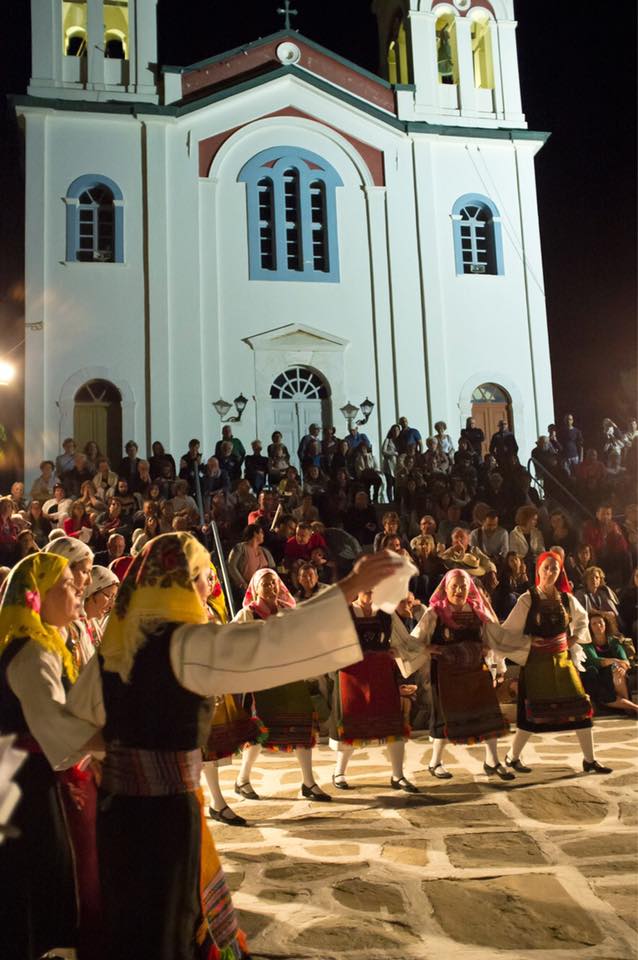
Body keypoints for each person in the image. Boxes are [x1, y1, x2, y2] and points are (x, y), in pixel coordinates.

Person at [65, 533, 402, 960]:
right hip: (165, 816)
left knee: (131, 919)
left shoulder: (115, 646)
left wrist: (117, 758)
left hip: (117, 811)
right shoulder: (185, 644)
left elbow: (77, 726)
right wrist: (349, 587)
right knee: (166, 925)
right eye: (203, 575)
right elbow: (271, 641)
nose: (209, 584)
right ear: (182, 582)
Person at [0, 553, 103, 960]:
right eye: (66, 584)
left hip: (28, 778)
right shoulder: (31, 653)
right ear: (38, 595)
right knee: (32, 881)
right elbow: (54, 724)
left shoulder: (43, 645)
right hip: (27, 788)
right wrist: (114, 742)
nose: (78, 589)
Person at [491, 551, 612, 776]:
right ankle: (512, 756)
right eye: (546, 567)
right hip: (536, 664)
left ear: (560, 572)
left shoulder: (566, 599)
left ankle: (590, 760)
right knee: (531, 715)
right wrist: (528, 642)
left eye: (554, 568)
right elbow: (509, 631)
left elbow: (582, 619)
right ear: (538, 570)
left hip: (563, 661)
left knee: (581, 708)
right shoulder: (527, 599)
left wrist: (573, 639)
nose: (550, 572)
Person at [233, 568, 330, 803]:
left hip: (290, 679)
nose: (271, 587)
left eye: (274, 583)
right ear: (255, 588)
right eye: (265, 584)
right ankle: (242, 780)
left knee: (302, 727)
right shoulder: (248, 614)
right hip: (263, 682)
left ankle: (309, 783)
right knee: (259, 732)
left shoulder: (289, 612)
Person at [410, 569, 511, 780]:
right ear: (445, 589)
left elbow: (492, 641)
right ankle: (435, 762)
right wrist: (426, 648)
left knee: (488, 713)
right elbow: (414, 640)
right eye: (454, 586)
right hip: (446, 673)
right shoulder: (435, 613)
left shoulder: (479, 611)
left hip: (476, 671)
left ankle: (492, 761)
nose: (458, 590)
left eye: (463, 586)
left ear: (469, 588)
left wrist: (494, 663)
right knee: (444, 717)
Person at [329, 588, 420, 793]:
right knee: (352, 723)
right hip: (352, 677)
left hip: (381, 674)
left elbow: (402, 642)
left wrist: (396, 652)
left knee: (392, 723)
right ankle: (339, 772)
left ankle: (398, 775)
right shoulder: (344, 612)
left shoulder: (386, 613)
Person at [201, 564, 267, 828]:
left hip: (219, 682)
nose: (211, 582)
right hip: (202, 685)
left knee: (214, 745)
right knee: (206, 747)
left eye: (212, 578)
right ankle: (217, 802)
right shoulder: (187, 612)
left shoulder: (212, 608)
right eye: (205, 578)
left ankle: (219, 800)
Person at [581, 613, 636, 715]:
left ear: (605, 624)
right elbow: (596, 661)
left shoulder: (613, 641)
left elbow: (625, 661)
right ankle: (632, 707)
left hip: (613, 675)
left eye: (600, 623)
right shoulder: (587, 643)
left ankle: (628, 706)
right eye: (594, 624)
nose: (598, 626)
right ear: (589, 627)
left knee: (618, 671)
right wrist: (615, 661)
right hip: (596, 677)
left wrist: (622, 667)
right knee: (616, 668)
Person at [227, 524, 275, 594]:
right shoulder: (240, 548)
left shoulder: (265, 551)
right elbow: (232, 566)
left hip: (264, 588)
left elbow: (272, 568)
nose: (263, 535)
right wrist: (242, 583)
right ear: (255, 533)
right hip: (246, 589)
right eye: (261, 532)